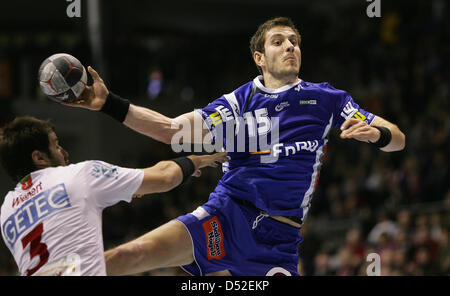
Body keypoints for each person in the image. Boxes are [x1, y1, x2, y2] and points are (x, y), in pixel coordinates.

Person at [63, 17, 405, 276]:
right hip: (227, 217)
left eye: (294, 41)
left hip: (278, 241)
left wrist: (379, 135)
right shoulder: (237, 103)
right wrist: (110, 104)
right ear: (259, 57)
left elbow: (397, 138)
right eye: (278, 41)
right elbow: (172, 131)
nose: (290, 46)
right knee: (131, 255)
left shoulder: (327, 99)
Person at [0, 116, 227, 276]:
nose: (64, 152)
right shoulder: (78, 174)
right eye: (56, 145)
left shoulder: (7, 210)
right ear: (39, 157)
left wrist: (123, 188)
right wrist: (199, 160)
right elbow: (165, 176)